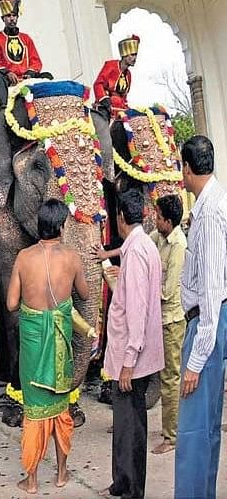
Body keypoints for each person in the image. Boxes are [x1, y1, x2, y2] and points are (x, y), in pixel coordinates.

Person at [8, 199, 94, 494]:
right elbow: (84, 292)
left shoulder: (22, 257)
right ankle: (61, 473)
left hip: (32, 345)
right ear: (61, 226)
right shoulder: (71, 257)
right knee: (60, 407)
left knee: (34, 411)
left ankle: (31, 480)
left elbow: (9, 304)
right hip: (60, 342)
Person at [97, 189, 164, 499]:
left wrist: (128, 362)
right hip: (132, 353)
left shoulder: (137, 251)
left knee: (132, 424)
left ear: (121, 218)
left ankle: (132, 488)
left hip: (132, 356)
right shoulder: (140, 245)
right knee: (123, 421)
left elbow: (137, 310)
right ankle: (121, 481)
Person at [175, 135, 227, 499]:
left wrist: (195, 361)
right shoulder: (215, 201)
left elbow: (210, 289)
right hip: (214, 321)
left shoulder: (209, 214)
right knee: (207, 428)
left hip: (207, 324)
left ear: (188, 169)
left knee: (194, 431)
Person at [148, 194, 186, 455]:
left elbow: (167, 292)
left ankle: (171, 436)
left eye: (158, 217)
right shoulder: (158, 236)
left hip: (171, 322)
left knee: (170, 379)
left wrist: (142, 290)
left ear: (168, 221)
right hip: (157, 320)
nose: (154, 219)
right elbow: (139, 245)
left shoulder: (178, 245)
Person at [0, 0, 52, 110]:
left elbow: (36, 61)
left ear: (17, 17)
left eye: (14, 16)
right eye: (8, 16)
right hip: (8, 79)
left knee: (48, 76)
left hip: (27, 77)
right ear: (3, 18)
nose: (12, 19)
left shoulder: (26, 38)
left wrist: (30, 73)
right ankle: (3, 110)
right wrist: (7, 73)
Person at [93, 35, 138, 121]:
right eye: (132, 55)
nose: (135, 58)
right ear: (125, 54)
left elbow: (124, 96)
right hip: (106, 105)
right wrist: (104, 99)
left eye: (135, 55)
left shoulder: (128, 74)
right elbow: (98, 84)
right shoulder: (111, 66)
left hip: (120, 108)